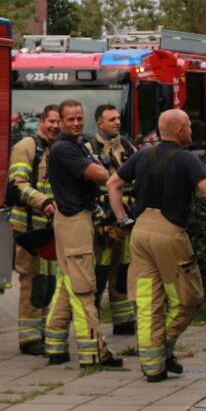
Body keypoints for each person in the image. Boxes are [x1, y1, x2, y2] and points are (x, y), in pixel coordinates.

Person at [107, 109, 206, 382]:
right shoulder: (187, 159)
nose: (192, 129)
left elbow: (113, 182)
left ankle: (153, 366)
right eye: (189, 125)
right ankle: (163, 348)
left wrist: (122, 218)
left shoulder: (142, 154)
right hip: (170, 234)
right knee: (188, 297)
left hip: (139, 233)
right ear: (179, 130)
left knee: (147, 301)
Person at [43, 99, 123, 368]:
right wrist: (114, 171)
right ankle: (94, 353)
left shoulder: (75, 145)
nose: (76, 123)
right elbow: (100, 174)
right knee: (84, 288)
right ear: (61, 121)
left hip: (75, 220)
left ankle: (55, 346)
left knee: (68, 286)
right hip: (74, 222)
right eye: (70, 119)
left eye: (79, 118)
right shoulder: (66, 149)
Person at [8, 104, 60, 355]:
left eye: (58, 122)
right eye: (51, 121)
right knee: (31, 280)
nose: (55, 126)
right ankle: (28, 339)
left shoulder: (57, 149)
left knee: (48, 282)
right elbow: (17, 184)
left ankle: (42, 331)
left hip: (49, 229)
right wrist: (45, 202)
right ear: (41, 121)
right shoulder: (27, 147)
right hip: (28, 228)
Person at [84, 104, 137, 336]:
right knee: (99, 271)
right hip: (101, 223)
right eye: (111, 119)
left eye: (118, 118)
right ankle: (92, 320)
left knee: (123, 271)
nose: (117, 122)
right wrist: (100, 221)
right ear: (99, 123)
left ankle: (124, 322)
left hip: (124, 221)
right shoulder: (88, 148)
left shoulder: (126, 145)